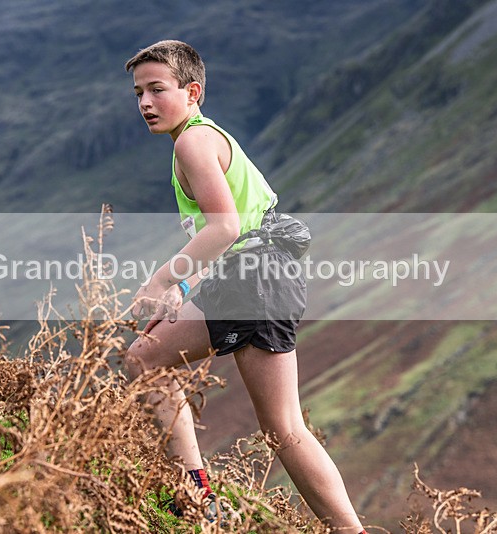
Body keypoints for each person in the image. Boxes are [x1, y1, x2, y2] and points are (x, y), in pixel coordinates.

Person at [123, 40, 367, 533]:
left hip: (255, 279)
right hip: (256, 276)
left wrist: (160, 278)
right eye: (138, 93)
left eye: (157, 89)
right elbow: (231, 238)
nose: (146, 103)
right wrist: (183, 290)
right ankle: (198, 494)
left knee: (281, 427)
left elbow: (226, 228)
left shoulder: (192, 141)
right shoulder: (202, 138)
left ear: (192, 92)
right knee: (149, 361)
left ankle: (201, 495)